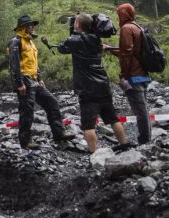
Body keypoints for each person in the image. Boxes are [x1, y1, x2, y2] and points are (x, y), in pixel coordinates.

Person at [43, 13, 130, 153]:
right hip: (102, 84)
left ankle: (94, 153)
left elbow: (62, 48)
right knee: (113, 118)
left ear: (77, 24)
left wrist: (72, 32)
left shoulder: (74, 40)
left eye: (75, 22)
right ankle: (124, 144)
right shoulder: (97, 39)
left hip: (87, 88)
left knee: (88, 125)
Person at [8, 14, 68, 150]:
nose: (33, 27)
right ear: (23, 28)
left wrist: (40, 78)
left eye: (33, 25)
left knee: (52, 102)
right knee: (27, 110)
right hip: (24, 80)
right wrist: (19, 83)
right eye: (30, 25)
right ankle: (25, 141)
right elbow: (14, 64)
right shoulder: (15, 42)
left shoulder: (30, 42)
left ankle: (59, 133)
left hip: (34, 79)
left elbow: (35, 63)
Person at [105, 3, 152, 145]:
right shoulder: (138, 27)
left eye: (119, 14)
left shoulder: (126, 28)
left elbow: (126, 55)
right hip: (143, 74)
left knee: (140, 111)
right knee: (143, 109)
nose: (118, 17)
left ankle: (144, 141)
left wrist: (123, 75)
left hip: (133, 76)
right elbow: (130, 51)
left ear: (123, 15)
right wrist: (110, 49)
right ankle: (146, 139)